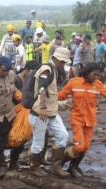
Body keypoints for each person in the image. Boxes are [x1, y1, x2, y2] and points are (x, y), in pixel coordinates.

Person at [58, 62, 106, 178]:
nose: (96, 77)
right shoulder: (74, 82)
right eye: (95, 74)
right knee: (79, 146)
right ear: (88, 73)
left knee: (86, 147)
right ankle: (60, 163)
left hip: (90, 120)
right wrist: (46, 96)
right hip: (77, 119)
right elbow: (61, 95)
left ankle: (72, 167)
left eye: (98, 75)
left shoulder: (97, 85)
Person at [28, 47, 71, 178]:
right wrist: (42, 108)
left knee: (63, 135)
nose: (63, 64)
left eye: (64, 62)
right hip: (41, 112)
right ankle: (34, 167)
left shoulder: (54, 70)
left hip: (51, 111)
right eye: (62, 62)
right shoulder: (46, 70)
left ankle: (55, 165)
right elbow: (41, 88)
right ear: (55, 58)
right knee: (38, 142)